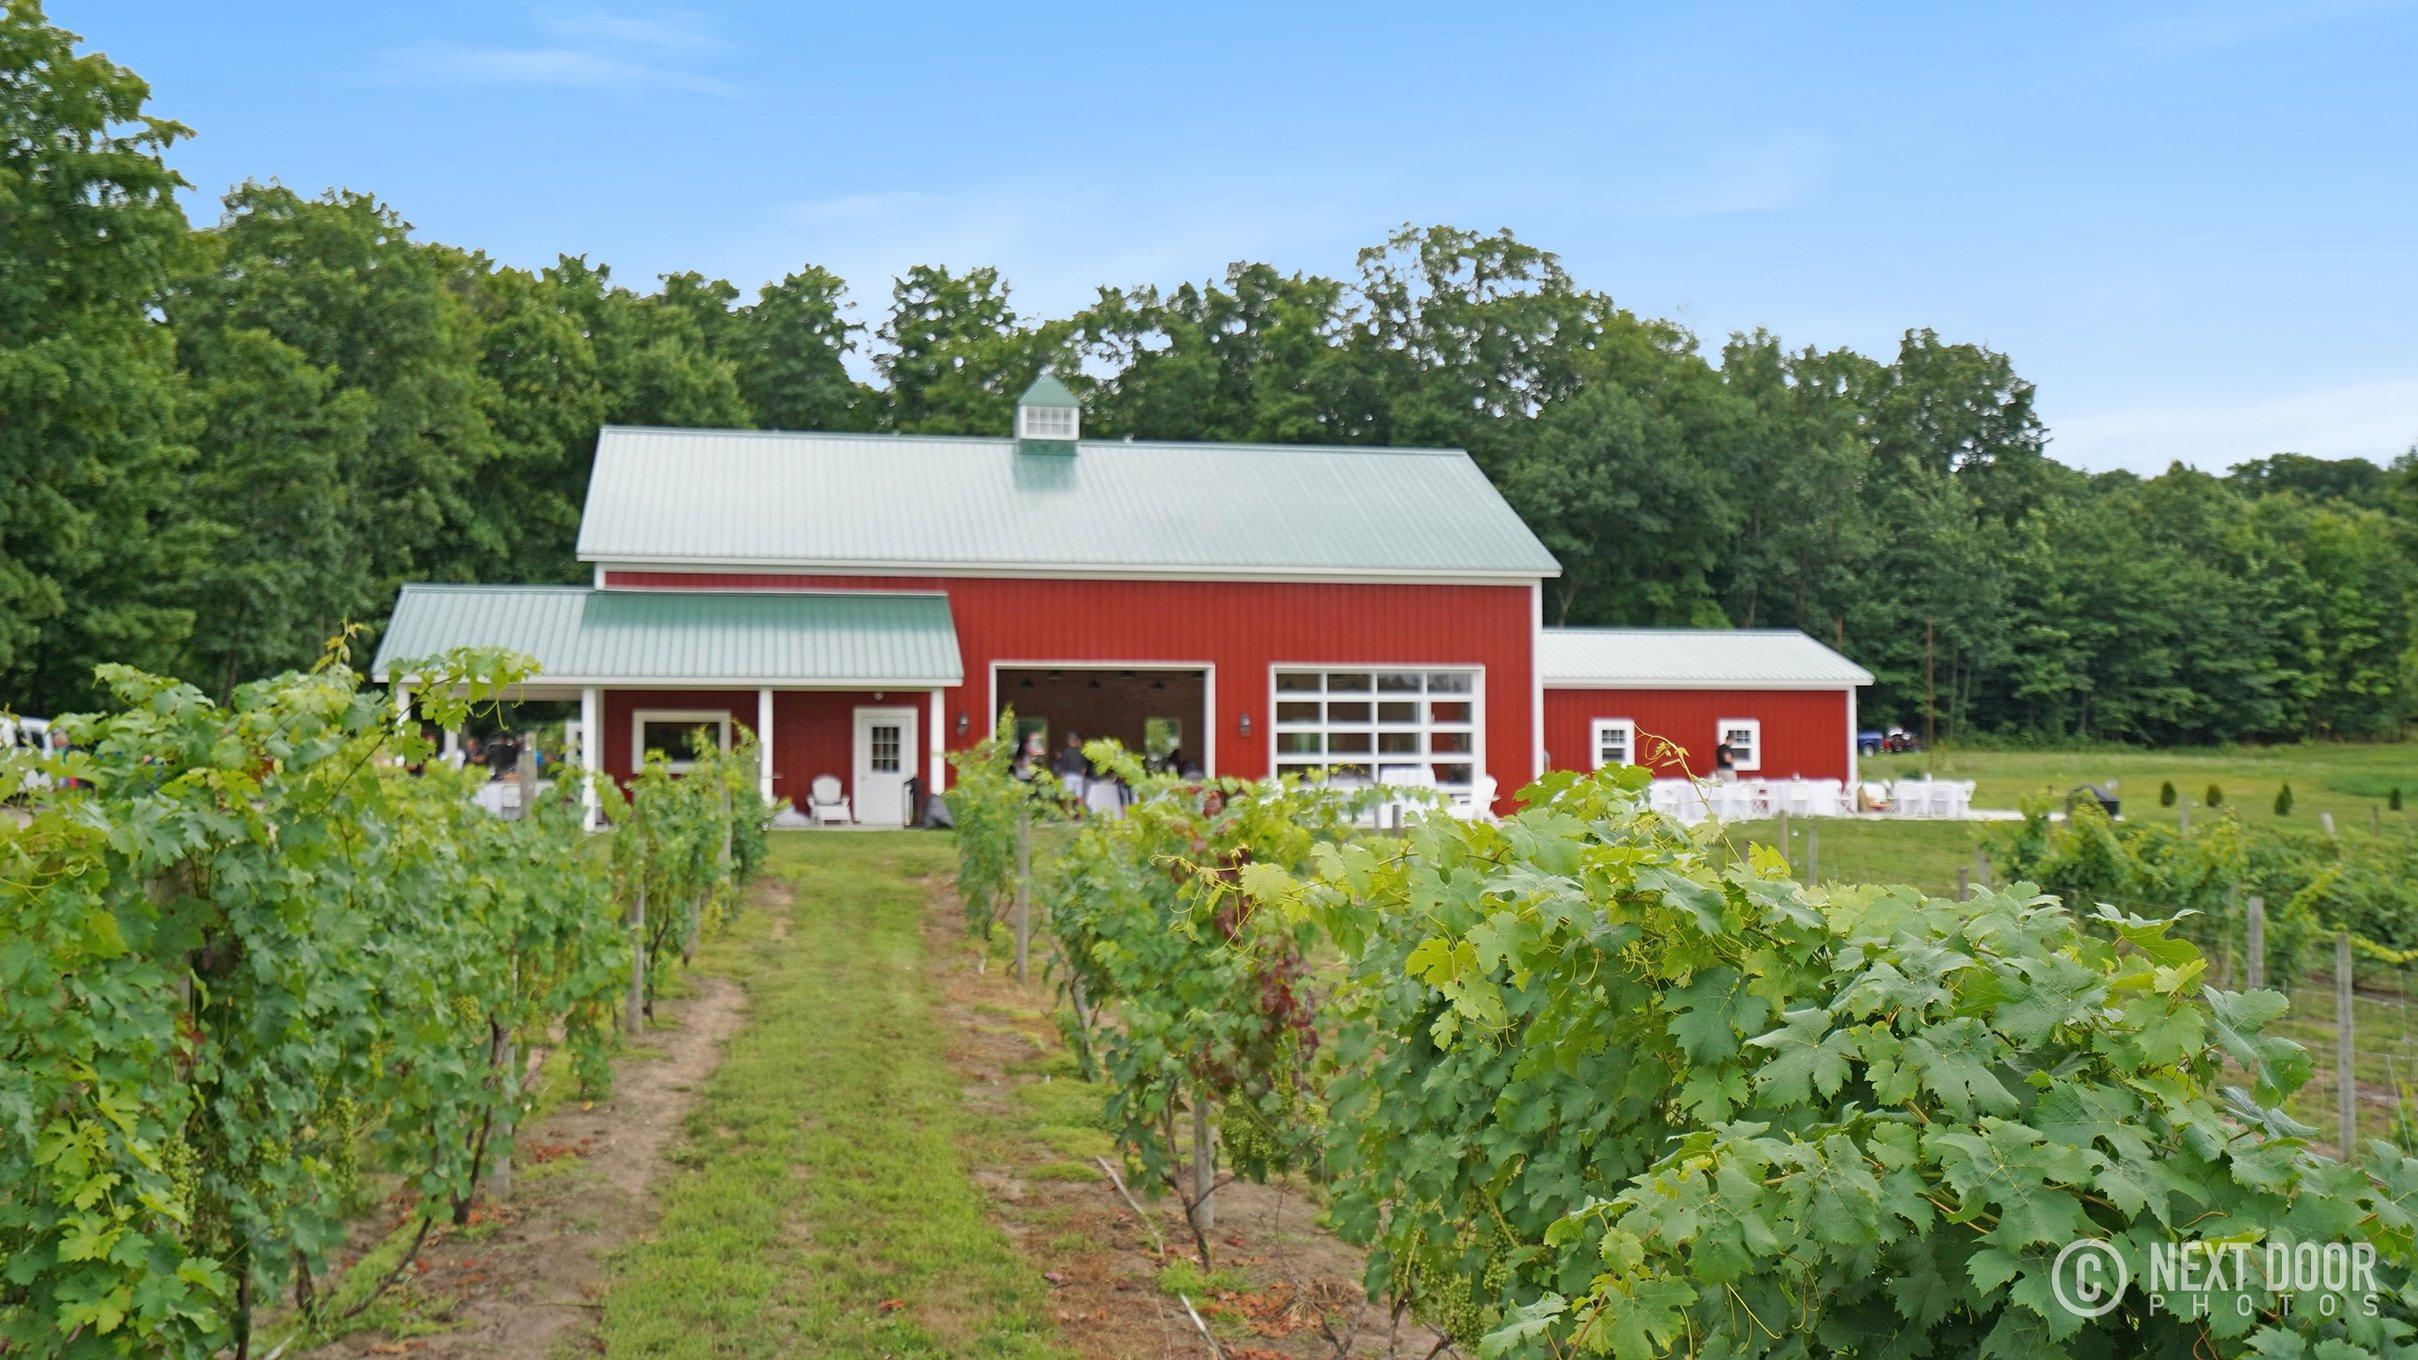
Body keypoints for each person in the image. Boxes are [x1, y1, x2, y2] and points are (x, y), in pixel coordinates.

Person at [1055, 731, 1090, 802]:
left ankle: (1068, 812)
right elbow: (1085, 766)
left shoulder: (1067, 751)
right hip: (1079, 776)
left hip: (1069, 775)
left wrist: (1060, 775)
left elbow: (1064, 764)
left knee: (1068, 797)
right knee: (1079, 797)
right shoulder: (1081, 751)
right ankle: (1081, 812)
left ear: (1069, 740)